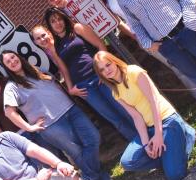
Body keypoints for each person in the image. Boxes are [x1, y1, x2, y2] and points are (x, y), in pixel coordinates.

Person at [0, 50, 117, 180]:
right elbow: (9, 112)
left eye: (13, 57)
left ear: (18, 57)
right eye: (8, 62)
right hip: (51, 125)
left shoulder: (36, 70)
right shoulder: (12, 87)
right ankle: (103, 179)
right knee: (77, 153)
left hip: (71, 110)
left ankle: (88, 179)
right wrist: (29, 127)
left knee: (93, 137)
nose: (12, 61)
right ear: (6, 67)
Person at [93, 51, 196, 180]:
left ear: (115, 61)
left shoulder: (133, 72)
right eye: (102, 70)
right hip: (149, 128)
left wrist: (158, 135)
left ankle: (188, 137)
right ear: (100, 74)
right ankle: (169, 158)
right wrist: (146, 143)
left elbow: (154, 101)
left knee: (175, 176)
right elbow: (136, 117)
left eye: (108, 65)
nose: (107, 70)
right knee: (128, 162)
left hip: (167, 120)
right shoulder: (115, 92)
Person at [44, 7, 137, 141]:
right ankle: (140, 145)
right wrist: (70, 89)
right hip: (85, 88)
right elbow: (64, 69)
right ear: (50, 26)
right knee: (113, 118)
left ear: (64, 19)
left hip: (100, 77)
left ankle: (149, 134)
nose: (57, 23)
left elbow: (100, 45)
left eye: (59, 19)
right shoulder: (55, 47)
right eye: (53, 21)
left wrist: (104, 71)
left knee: (125, 109)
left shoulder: (78, 28)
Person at [30, 24, 87, 98]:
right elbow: (62, 69)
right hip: (77, 83)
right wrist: (70, 88)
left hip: (87, 74)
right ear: (35, 42)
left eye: (43, 35)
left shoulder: (60, 43)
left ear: (49, 33)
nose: (42, 39)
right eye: (38, 38)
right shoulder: (47, 53)